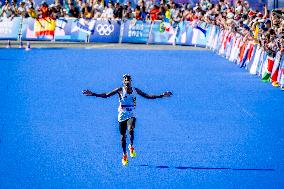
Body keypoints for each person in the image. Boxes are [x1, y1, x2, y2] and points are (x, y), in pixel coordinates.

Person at [82, 74, 172, 166]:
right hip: (122, 114)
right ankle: (124, 155)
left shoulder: (135, 90)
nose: (127, 81)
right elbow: (106, 95)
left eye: (128, 79)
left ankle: (131, 146)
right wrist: (93, 94)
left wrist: (162, 95)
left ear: (131, 81)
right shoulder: (120, 90)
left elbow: (148, 96)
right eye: (125, 79)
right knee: (122, 137)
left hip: (131, 113)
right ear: (123, 81)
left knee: (131, 130)